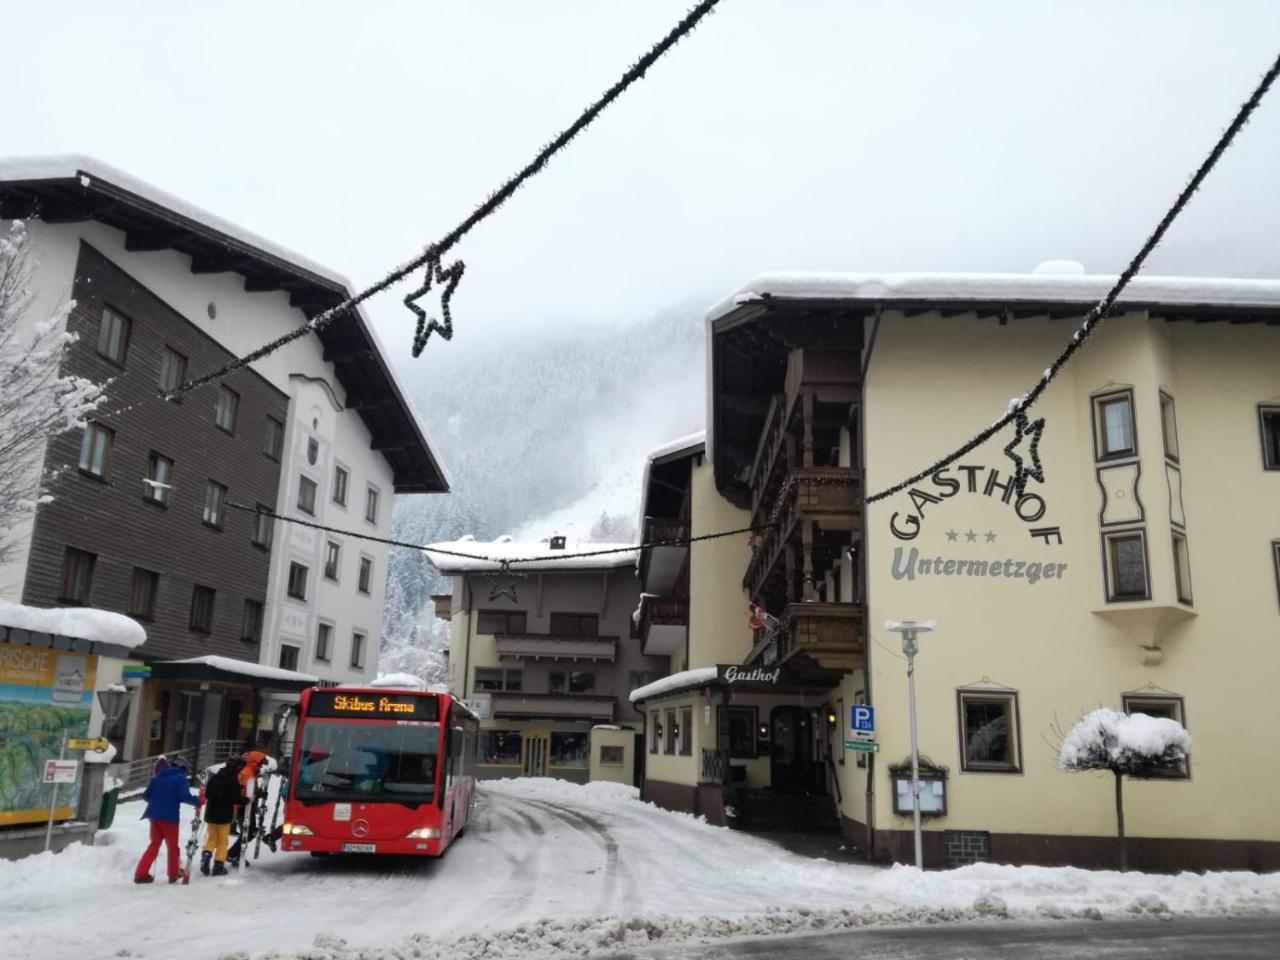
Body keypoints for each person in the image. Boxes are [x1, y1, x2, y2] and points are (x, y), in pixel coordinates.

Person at [133, 757, 199, 884]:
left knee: (154, 845)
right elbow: (184, 796)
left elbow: (146, 795)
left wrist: (158, 802)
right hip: (169, 818)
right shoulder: (180, 778)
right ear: (184, 769)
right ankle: (173, 874)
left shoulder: (159, 776)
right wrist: (198, 801)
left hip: (154, 816)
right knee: (173, 847)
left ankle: (141, 874)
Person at [200, 763, 240, 876]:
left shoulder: (214, 778)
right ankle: (218, 865)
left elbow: (207, 794)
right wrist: (246, 800)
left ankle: (206, 856)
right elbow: (236, 798)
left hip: (211, 815)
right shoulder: (232, 780)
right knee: (223, 841)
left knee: (212, 839)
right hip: (224, 816)